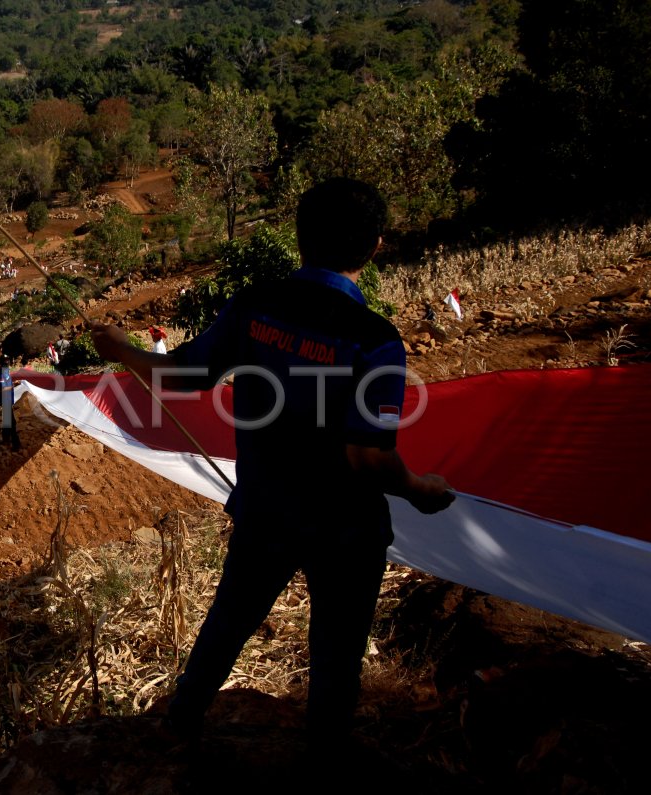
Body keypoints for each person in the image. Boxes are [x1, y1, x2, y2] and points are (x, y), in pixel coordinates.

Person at [90, 177, 455, 757]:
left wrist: (121, 349)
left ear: (298, 235)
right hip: (344, 528)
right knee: (335, 654)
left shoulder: (257, 305)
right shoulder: (375, 341)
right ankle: (323, 757)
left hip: (266, 508)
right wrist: (418, 488)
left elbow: (185, 375)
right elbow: (366, 455)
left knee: (230, 619)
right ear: (376, 246)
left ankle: (180, 722)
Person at [0, 355, 21, 452]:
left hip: (6, 400)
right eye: (7, 360)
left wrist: (0, 400)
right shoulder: (5, 371)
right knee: (7, 421)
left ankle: (16, 444)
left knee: (10, 422)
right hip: (7, 399)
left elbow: (2, 387)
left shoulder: (3, 371)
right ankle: (6, 439)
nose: (7, 362)